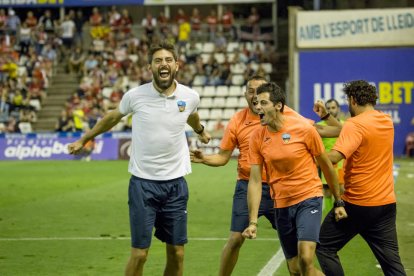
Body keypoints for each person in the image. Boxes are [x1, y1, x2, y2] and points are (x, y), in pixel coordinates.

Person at [68, 41, 211, 276]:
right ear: (149, 67)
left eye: (167, 60)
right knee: (140, 254)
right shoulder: (135, 96)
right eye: (157, 61)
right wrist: (84, 139)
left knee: (177, 253)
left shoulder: (190, 96)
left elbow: (191, 115)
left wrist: (201, 130)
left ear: (177, 65)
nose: (163, 64)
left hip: (176, 185)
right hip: (143, 185)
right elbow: (112, 118)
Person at [191, 76, 327, 276]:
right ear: (246, 95)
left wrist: (327, 118)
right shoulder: (237, 121)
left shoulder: (288, 115)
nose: (255, 96)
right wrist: (204, 159)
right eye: (250, 91)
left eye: (259, 92)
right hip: (248, 185)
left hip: (280, 190)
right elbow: (222, 157)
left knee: (301, 258)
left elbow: (317, 132)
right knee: (236, 238)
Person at [242, 82, 347, 276]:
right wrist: (253, 222)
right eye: (256, 103)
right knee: (295, 269)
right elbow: (255, 181)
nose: (258, 107)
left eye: (263, 103)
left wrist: (338, 201)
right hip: (281, 204)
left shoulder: (304, 129)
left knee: (306, 257)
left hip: (309, 198)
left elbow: (325, 165)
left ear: (278, 106)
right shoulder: (256, 136)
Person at [315, 80, 406, 276]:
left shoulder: (355, 125)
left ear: (353, 100)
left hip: (357, 204)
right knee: (393, 266)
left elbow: (333, 158)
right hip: (386, 205)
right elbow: (345, 128)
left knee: (324, 247)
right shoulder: (386, 121)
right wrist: (325, 116)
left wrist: (309, 151)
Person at [316, 99, 345, 211]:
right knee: (327, 192)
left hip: (342, 165)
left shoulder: (344, 125)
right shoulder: (320, 126)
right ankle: (329, 218)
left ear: (338, 109)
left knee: (343, 192)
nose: (331, 110)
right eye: (328, 108)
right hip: (327, 164)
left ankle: (344, 220)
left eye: (333, 108)